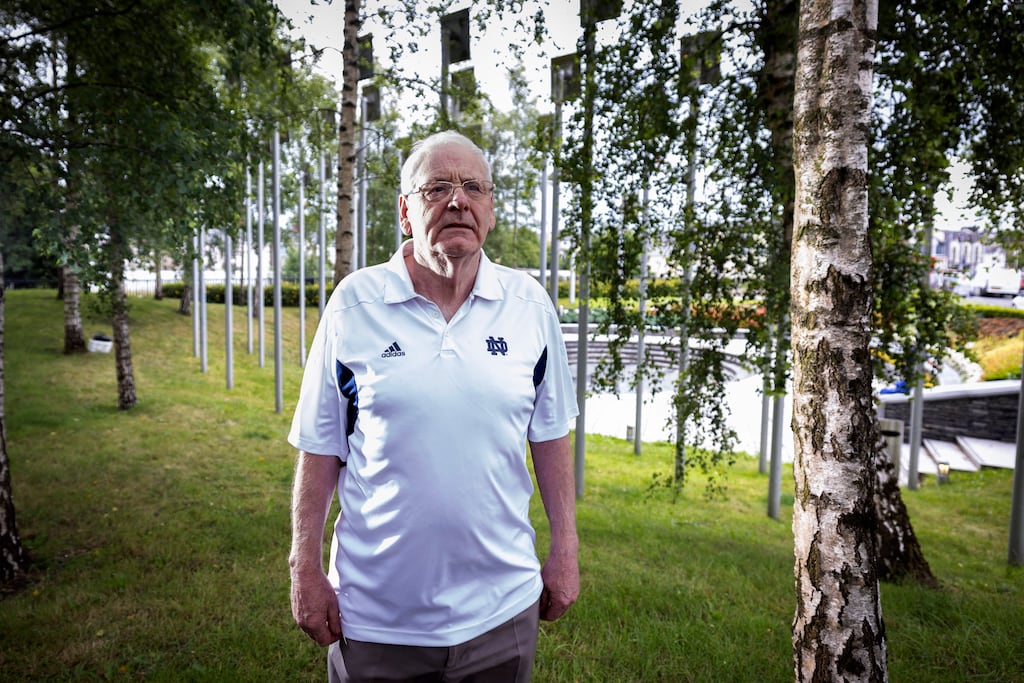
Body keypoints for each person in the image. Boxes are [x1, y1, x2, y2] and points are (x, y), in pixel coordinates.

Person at [287, 130, 580, 682]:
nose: (457, 200)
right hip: (377, 620)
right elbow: (320, 445)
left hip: (502, 613)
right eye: (436, 188)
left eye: (473, 187)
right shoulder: (355, 303)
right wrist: (303, 565)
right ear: (405, 211)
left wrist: (566, 547)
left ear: (490, 210)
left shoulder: (529, 306)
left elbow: (549, 434)